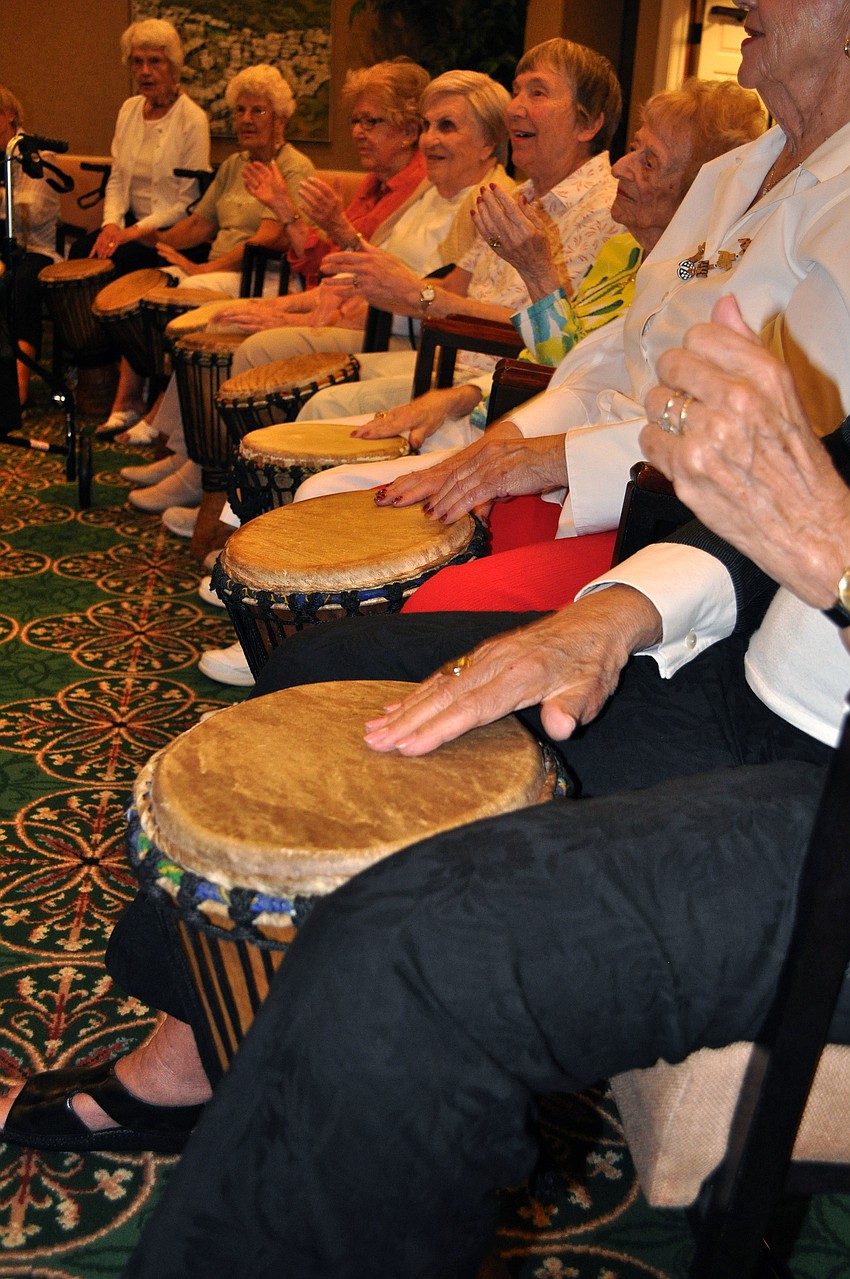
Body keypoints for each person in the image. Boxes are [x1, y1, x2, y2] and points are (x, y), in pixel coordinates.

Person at [4, 295, 850, 1279]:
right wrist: (617, 611)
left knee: (410, 947)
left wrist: (833, 554)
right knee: (328, 676)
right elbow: (801, 491)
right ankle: (185, 1063)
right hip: (743, 685)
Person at [133, 68, 513, 535]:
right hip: (371, 319)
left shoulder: (484, 201)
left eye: (446, 127)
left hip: (396, 335)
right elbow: (353, 269)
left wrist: (301, 288)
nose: (430, 139)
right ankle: (210, 472)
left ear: (491, 141)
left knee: (254, 346)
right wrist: (293, 304)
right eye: (429, 125)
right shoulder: (430, 192)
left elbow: (415, 292)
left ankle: (240, 504)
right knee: (234, 331)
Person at [102, 63, 314, 449]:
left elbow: (265, 240)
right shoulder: (235, 164)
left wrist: (201, 268)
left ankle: (159, 415)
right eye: (240, 110)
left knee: (193, 288)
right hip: (221, 273)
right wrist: (154, 238)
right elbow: (200, 225)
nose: (246, 119)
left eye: (258, 111)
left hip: (266, 279)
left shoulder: (293, 167)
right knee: (147, 291)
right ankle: (128, 400)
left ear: (281, 118)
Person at [66, 19, 210, 437]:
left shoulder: (192, 119)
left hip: (174, 234)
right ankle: (101, 373)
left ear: (173, 67)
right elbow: (117, 181)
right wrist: (111, 225)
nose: (145, 72)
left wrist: (130, 234)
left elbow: (184, 199)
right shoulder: (129, 111)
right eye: (137, 62)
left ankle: (134, 390)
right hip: (129, 226)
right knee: (83, 255)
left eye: (155, 62)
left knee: (124, 266)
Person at [245, 57, 430, 290]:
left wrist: (338, 226)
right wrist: (283, 207)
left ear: (410, 131)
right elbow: (325, 263)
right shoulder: (374, 182)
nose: (357, 132)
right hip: (333, 300)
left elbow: (384, 277)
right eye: (355, 121)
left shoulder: (423, 188)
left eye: (369, 121)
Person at [0, 86, 61, 404]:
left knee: (21, 282)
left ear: (9, 115)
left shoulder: (39, 155)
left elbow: (32, 213)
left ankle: (19, 389)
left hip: (36, 251)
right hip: (3, 249)